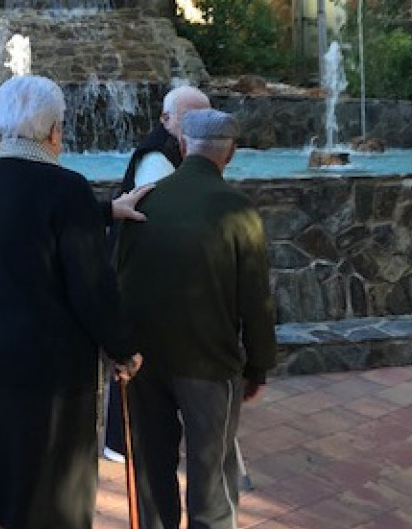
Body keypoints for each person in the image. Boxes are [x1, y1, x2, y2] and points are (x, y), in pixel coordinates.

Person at [0, 75, 143, 529]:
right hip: (39, 364)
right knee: (42, 491)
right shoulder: (67, 187)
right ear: (55, 130)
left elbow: (22, 221)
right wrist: (122, 348)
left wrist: (103, 210)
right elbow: (91, 286)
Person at [115, 109, 277, 529]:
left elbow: (118, 278)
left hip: (143, 362)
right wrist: (258, 365)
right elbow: (255, 298)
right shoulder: (237, 210)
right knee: (212, 476)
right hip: (209, 362)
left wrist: (119, 349)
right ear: (232, 153)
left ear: (183, 147)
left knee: (151, 469)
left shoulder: (143, 199)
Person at [103, 84, 211, 463]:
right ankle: (122, 442)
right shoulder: (156, 158)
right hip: (141, 273)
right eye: (188, 117)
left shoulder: (176, 151)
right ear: (166, 119)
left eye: (202, 117)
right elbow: (162, 220)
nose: (196, 124)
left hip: (147, 271)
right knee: (138, 357)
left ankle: (130, 437)